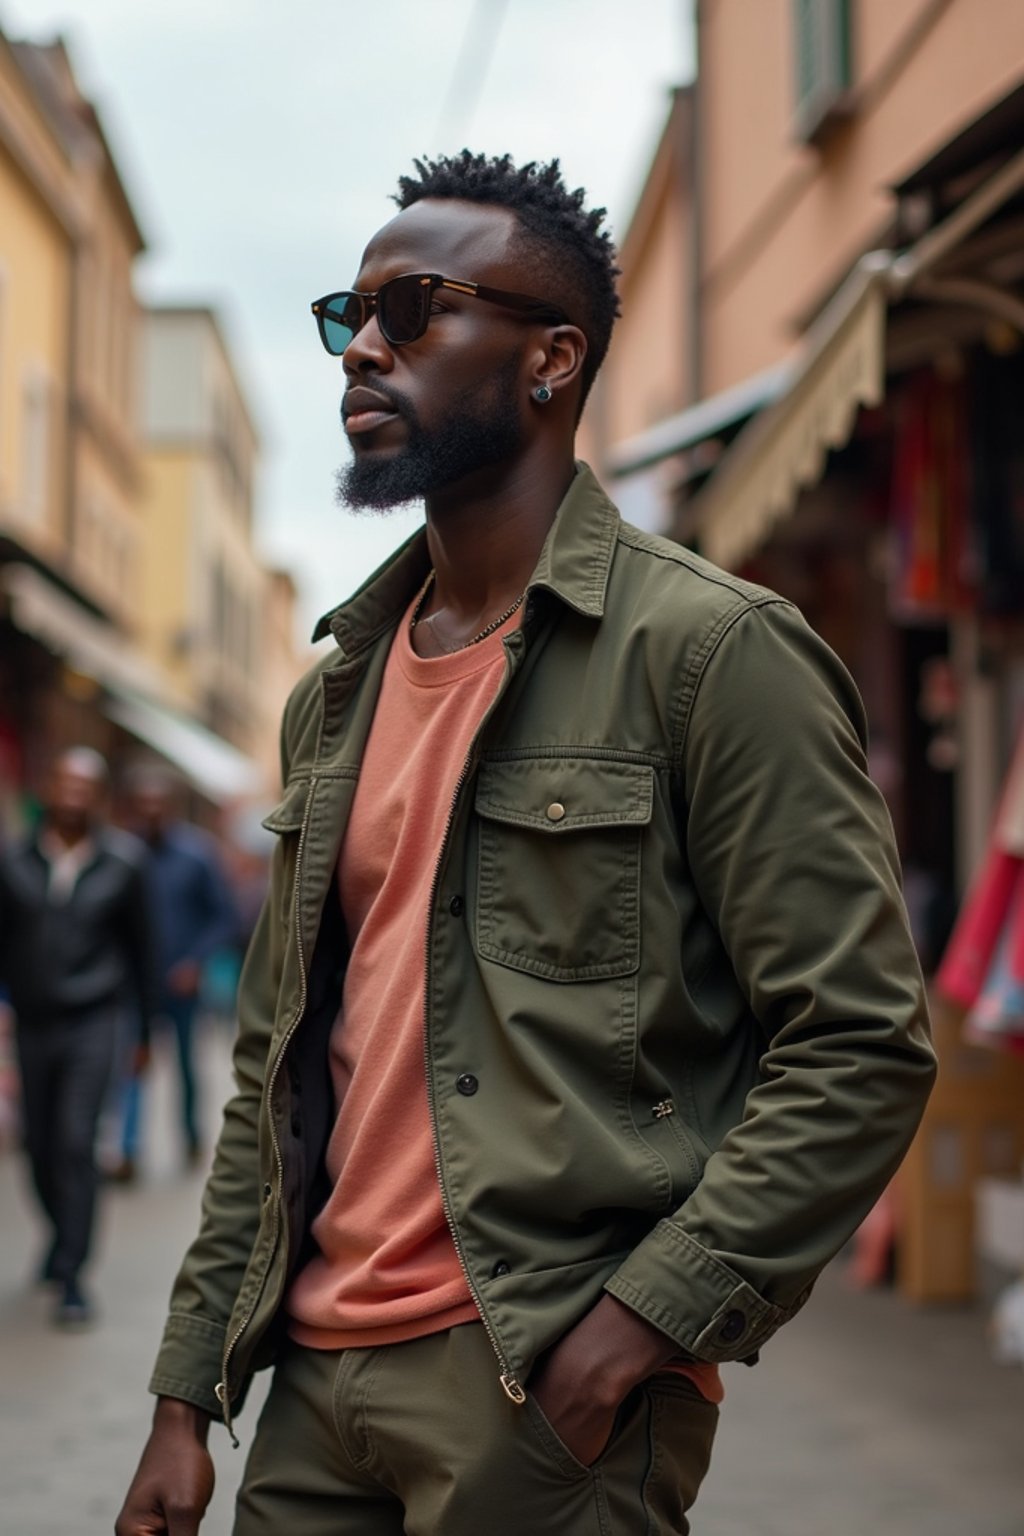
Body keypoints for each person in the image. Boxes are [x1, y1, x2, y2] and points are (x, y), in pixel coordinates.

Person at [117, 152, 936, 1535]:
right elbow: (278, 1064)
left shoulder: (711, 654)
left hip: (538, 1380)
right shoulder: (336, 691)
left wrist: (634, 1333)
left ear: (553, 358)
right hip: (315, 1385)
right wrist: (184, 1398)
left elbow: (859, 1042)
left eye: (414, 307)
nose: (363, 347)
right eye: (350, 314)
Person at [0, 746, 155, 1326]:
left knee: (74, 1140)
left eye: (84, 786)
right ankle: (58, 1232)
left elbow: (145, 951)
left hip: (97, 1020)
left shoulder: (124, 864)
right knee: (38, 1146)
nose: (72, 795)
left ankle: (72, 1274)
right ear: (47, 791)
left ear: (100, 797)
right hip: (33, 1024)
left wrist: (146, 1033)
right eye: (63, 783)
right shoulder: (15, 861)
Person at [113, 763, 239, 1179]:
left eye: (158, 803)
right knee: (133, 1062)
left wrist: (194, 962)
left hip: (181, 984)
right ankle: (128, 1150)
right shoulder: (121, 854)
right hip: (134, 984)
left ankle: (189, 1135)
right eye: (143, 803)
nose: (150, 811)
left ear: (171, 807)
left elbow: (223, 917)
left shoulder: (197, 855)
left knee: (186, 1065)